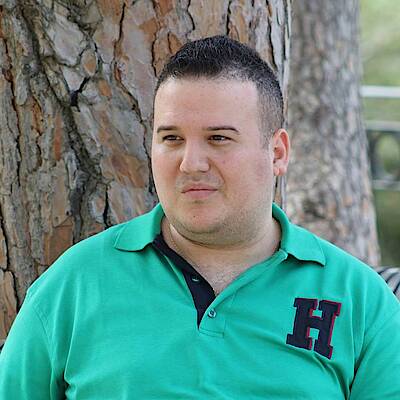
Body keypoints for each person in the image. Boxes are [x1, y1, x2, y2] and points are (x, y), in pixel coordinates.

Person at [0, 35, 399, 399]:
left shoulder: (359, 299)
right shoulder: (73, 284)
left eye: (218, 138)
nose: (191, 163)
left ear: (277, 153)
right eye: (172, 138)